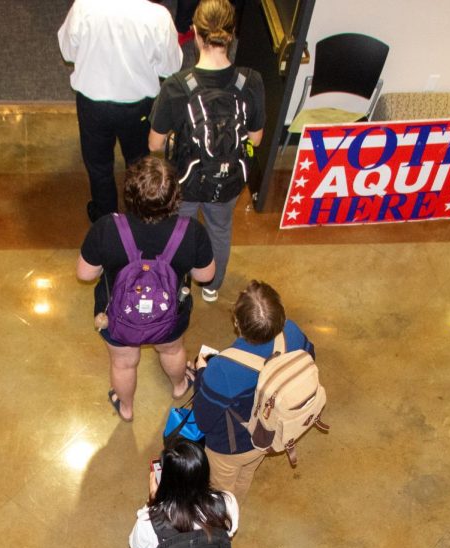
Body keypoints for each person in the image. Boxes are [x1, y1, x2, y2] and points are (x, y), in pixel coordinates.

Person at [77, 156, 215, 422]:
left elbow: (85, 274)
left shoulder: (107, 228)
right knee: (172, 350)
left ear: (129, 195)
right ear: (176, 197)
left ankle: (126, 408)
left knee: (124, 362)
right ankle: (178, 386)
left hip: (116, 315)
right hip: (170, 315)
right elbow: (206, 275)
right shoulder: (192, 231)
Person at [149, 0, 265, 303]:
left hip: (186, 181)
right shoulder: (250, 82)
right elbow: (257, 137)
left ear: (196, 34)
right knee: (220, 228)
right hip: (227, 181)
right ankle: (212, 285)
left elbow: (154, 144)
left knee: (179, 231)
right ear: (232, 33)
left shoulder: (177, 86)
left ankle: (177, 284)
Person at [58, 0, 182, 222]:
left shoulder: (84, 7)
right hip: (139, 105)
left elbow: (68, 51)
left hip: (93, 103)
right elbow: (171, 67)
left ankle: (107, 220)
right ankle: (138, 217)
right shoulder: (158, 17)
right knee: (138, 164)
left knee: (98, 166)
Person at [192, 280, 315, 502]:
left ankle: (224, 518)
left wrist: (202, 374)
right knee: (247, 471)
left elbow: (203, 421)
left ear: (237, 323)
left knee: (221, 490)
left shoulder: (223, 369)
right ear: (282, 315)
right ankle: (237, 502)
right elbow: (309, 358)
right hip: (270, 432)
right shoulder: (292, 331)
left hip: (231, 446)